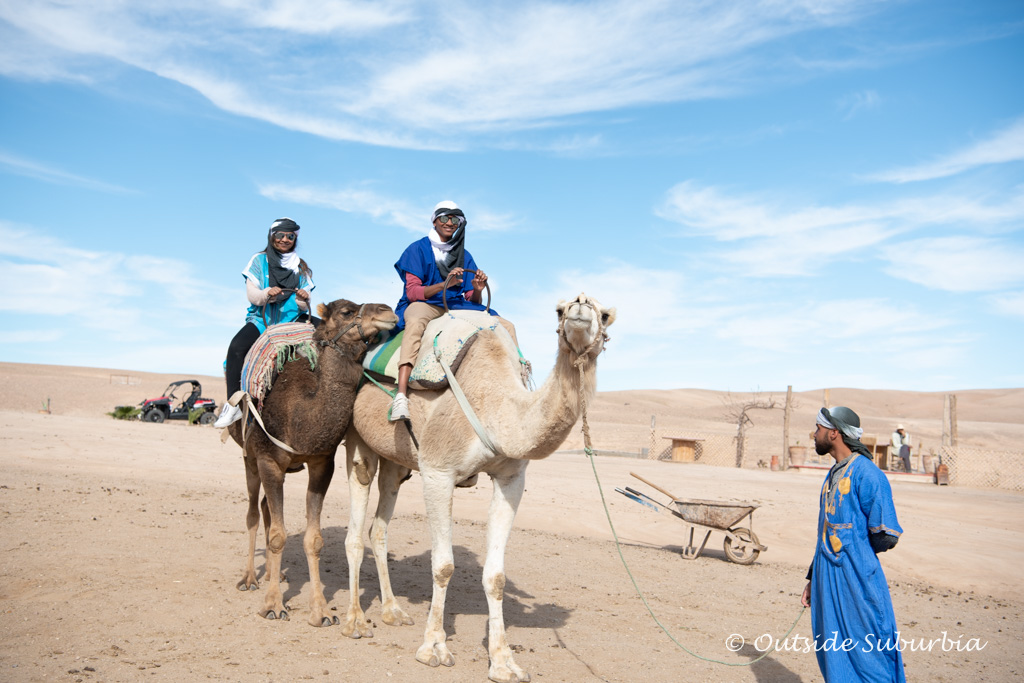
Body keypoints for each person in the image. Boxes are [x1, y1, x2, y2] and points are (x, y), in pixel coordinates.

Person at [800, 406, 905, 682]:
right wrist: (813, 577)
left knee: (870, 653)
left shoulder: (868, 474)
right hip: (827, 581)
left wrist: (854, 551)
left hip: (857, 581)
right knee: (834, 652)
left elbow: (887, 535)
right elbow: (827, 528)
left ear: (834, 433)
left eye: (819, 429)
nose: (814, 434)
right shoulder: (832, 474)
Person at [388, 200, 516, 421]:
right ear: (435, 221)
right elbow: (412, 292)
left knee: (506, 325)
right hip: (427, 304)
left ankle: (515, 385)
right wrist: (444, 284)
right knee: (415, 322)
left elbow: (471, 298)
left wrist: (477, 289)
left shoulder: (464, 256)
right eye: (445, 218)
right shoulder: (417, 249)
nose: (449, 223)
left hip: (457, 304)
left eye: (454, 219)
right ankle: (401, 395)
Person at [213, 218, 315, 428]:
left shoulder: (301, 267)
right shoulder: (258, 261)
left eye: (290, 236)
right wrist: (266, 293)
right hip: (263, 320)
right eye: (280, 235)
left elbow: (304, 306)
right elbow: (253, 295)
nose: (285, 240)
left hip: (293, 321)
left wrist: (302, 299)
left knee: (332, 336)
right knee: (236, 348)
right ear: (272, 236)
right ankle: (232, 406)